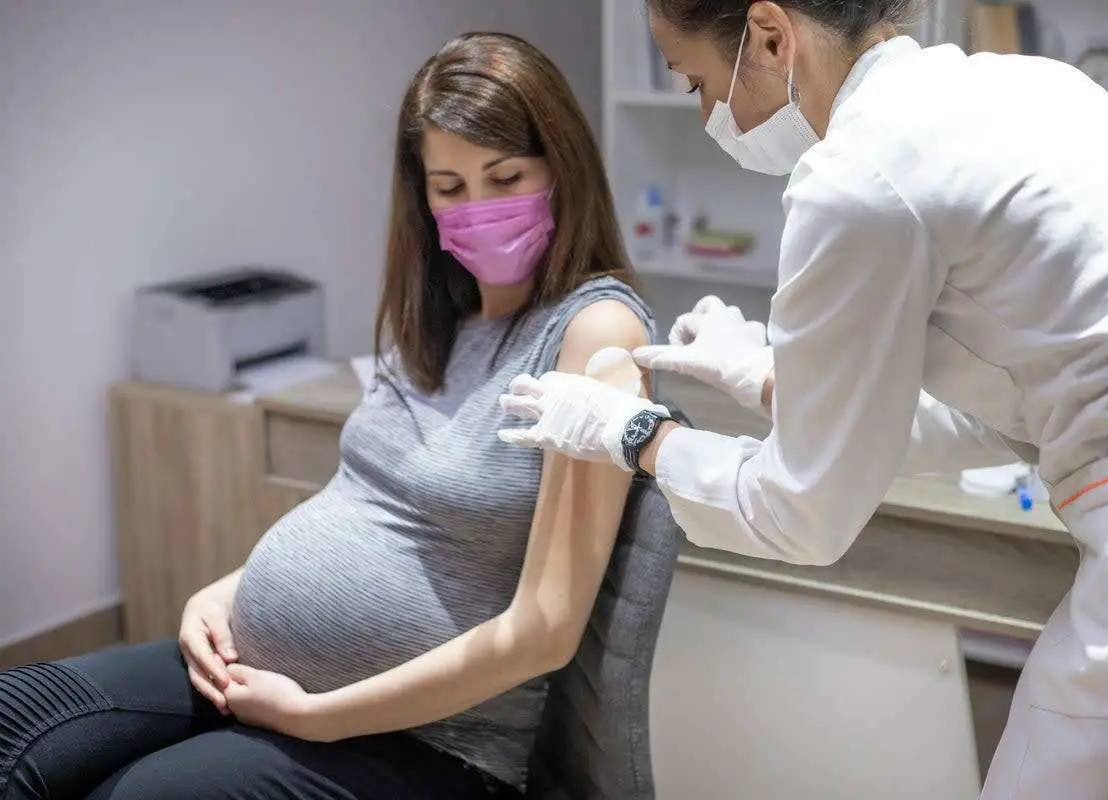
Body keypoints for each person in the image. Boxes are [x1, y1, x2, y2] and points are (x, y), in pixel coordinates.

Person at [496, 1, 1108, 797]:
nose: (706, 114)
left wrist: (635, 435)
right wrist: (779, 384)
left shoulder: (858, 177)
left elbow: (800, 515)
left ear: (770, 37)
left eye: (697, 83)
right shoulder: (1026, 88)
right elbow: (1012, 401)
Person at [0, 32, 656, 800]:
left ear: (562, 167)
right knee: (13, 722)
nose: (478, 208)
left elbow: (546, 628)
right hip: (255, 667)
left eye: (506, 177)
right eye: (449, 187)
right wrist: (222, 595)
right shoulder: (439, 320)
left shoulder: (595, 331)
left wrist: (317, 718)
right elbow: (364, 504)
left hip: (427, 744)